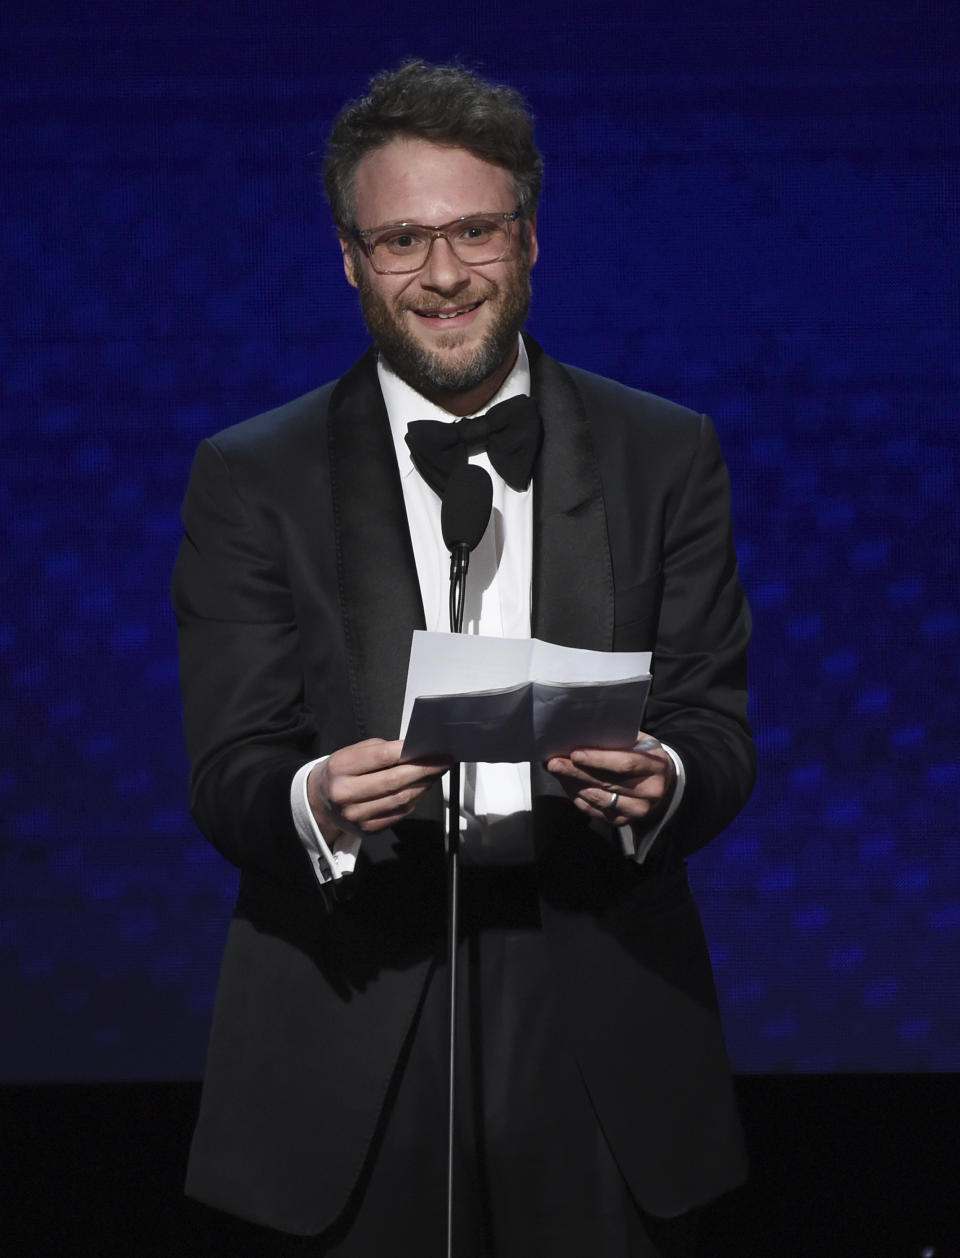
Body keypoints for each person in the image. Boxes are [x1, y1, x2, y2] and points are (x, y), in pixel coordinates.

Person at [172, 60, 755, 1258]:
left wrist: (670, 781)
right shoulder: (252, 474)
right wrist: (315, 799)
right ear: (350, 259)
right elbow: (229, 768)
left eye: (476, 230)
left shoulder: (665, 451)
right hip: (353, 990)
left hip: (597, 988)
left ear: (531, 235)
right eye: (401, 241)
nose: (443, 274)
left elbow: (717, 728)